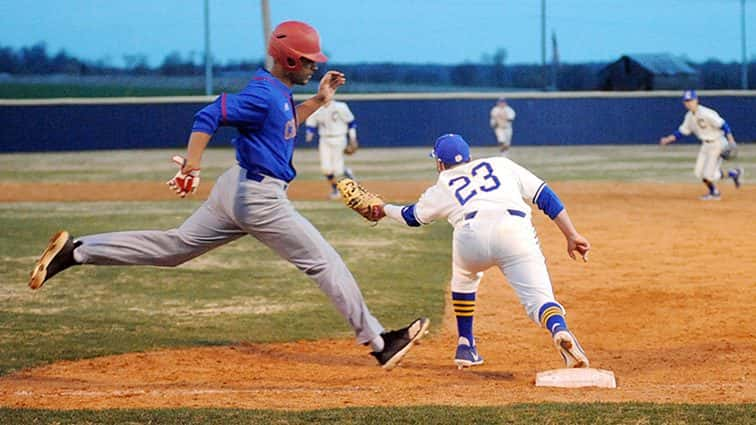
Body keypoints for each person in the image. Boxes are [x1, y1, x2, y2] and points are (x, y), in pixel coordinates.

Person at [27, 20, 428, 370]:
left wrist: (319, 102)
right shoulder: (264, 95)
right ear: (289, 61)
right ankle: (379, 344)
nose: (315, 65)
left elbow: (285, 122)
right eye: (308, 60)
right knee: (325, 262)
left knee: (174, 248)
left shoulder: (274, 93)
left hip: (237, 188)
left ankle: (76, 251)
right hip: (258, 199)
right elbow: (209, 115)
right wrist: (193, 165)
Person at [369, 134, 591, 370]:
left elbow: (411, 217)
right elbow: (544, 196)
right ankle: (559, 329)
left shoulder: (443, 183)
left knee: (464, 279)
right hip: (514, 231)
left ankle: (466, 345)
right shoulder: (501, 164)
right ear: (470, 157)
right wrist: (571, 234)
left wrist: (383, 209)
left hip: (470, 235)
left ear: (440, 164)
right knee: (540, 299)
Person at [659, 90, 743, 200]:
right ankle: (732, 174)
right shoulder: (689, 116)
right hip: (706, 145)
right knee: (699, 172)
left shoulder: (706, 113)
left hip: (717, 143)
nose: (689, 103)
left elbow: (723, 125)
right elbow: (682, 132)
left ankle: (715, 192)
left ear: (696, 100)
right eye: (687, 101)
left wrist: (731, 140)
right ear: (684, 103)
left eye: (691, 100)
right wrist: (668, 139)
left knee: (708, 175)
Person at [305, 99, 358, 199]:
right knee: (326, 169)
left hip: (339, 137)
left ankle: (346, 174)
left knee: (338, 170)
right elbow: (311, 124)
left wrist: (353, 139)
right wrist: (309, 134)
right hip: (324, 139)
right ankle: (335, 189)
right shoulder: (316, 109)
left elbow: (351, 123)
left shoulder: (341, 106)